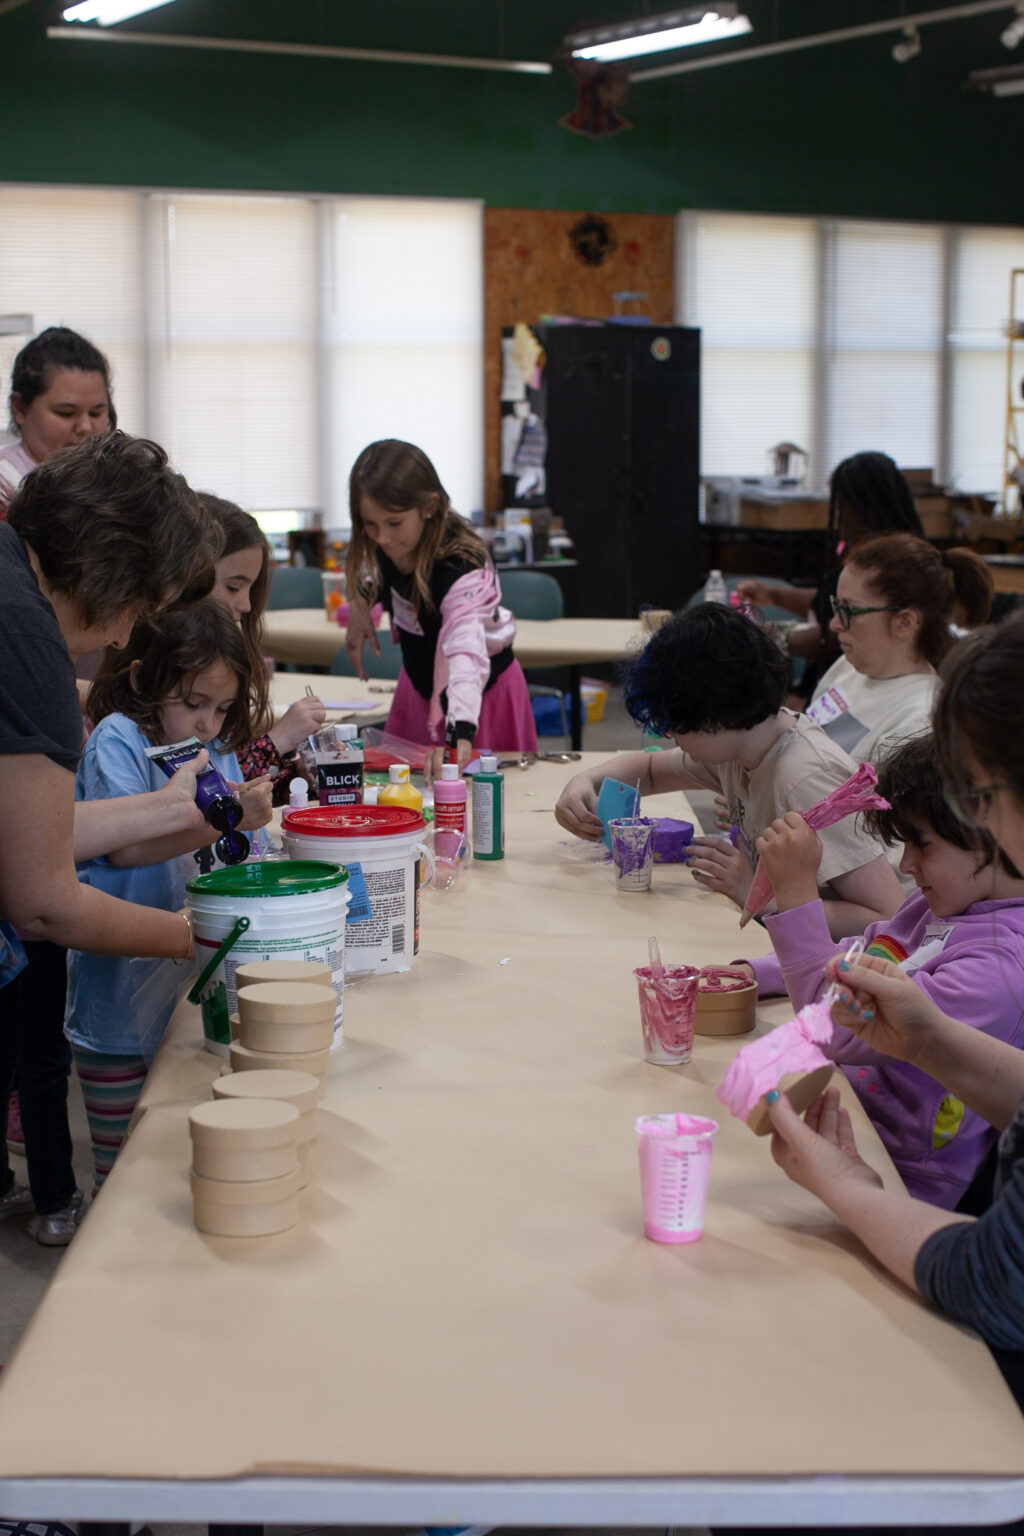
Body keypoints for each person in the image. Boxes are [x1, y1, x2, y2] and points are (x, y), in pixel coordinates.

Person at [765, 611, 1024, 1415]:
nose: (982, 819)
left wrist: (843, 1188)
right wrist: (931, 1041)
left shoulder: (998, 961)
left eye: (979, 795)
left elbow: (998, 1284)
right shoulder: (947, 911)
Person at [744, 732, 1024, 1211]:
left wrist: (796, 891)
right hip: (853, 1118)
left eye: (923, 845)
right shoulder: (944, 903)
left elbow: (837, 1031)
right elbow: (860, 955)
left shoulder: (999, 969)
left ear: (997, 835)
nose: (906, 863)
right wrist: (751, 974)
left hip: (904, 1179)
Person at [65, 602, 273, 1192]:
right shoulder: (120, 738)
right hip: (118, 1005)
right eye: (193, 703)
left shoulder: (216, 747)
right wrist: (225, 821)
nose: (207, 723)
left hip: (194, 991)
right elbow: (125, 849)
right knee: (123, 1176)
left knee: (186, 1158)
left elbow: (236, 853)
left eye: (223, 708)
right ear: (143, 680)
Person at [555, 604, 902, 938]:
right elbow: (650, 770)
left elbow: (887, 919)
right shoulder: (740, 745)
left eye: (676, 725)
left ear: (715, 717)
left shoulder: (804, 778)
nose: (670, 736)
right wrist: (584, 782)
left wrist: (756, 896)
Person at [344, 439, 537, 781]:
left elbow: (466, 654)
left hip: (479, 698)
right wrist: (360, 602)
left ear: (429, 507)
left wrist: (459, 734)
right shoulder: (386, 542)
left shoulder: (462, 567)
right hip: (419, 693)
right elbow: (373, 574)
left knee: (485, 794)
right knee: (410, 794)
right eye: (370, 524)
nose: (382, 538)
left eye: (394, 523)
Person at [736, 451, 925, 698]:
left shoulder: (889, 565)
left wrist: (771, 637)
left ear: (864, 508)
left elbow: (836, 636)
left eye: (839, 507)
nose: (834, 517)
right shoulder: (865, 553)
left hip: (856, 689)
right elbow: (828, 602)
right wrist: (773, 595)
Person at [805, 533, 993, 768]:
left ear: (904, 623)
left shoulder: (919, 721)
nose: (834, 624)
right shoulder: (848, 666)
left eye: (849, 611)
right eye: (837, 606)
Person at [201, 493, 325, 802]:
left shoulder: (217, 654)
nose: (245, 604)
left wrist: (298, 776)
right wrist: (279, 739)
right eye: (233, 587)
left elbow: (233, 769)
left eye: (250, 589)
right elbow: (212, 788)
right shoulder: (177, 671)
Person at [0, 327, 115, 514]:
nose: (85, 427)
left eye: (96, 413)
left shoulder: (119, 484)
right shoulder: (5, 489)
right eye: (66, 413)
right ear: (19, 409)